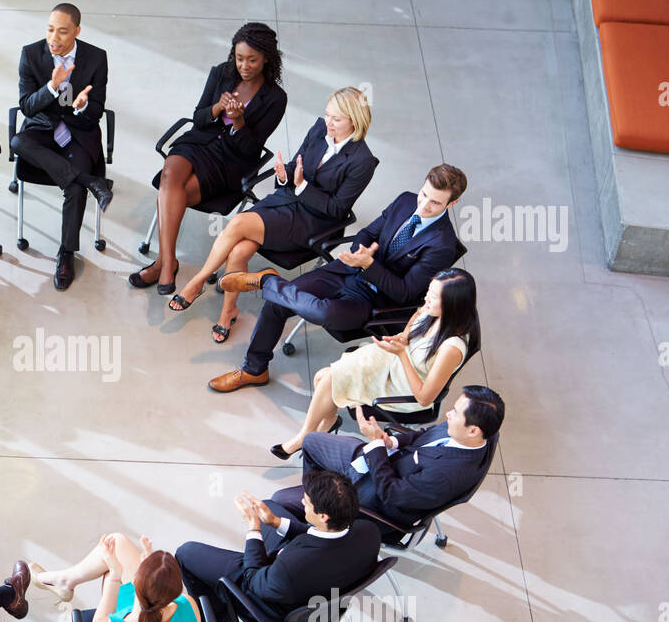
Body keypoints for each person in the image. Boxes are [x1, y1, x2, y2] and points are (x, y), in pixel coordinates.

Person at [208, 164, 467, 393]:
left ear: (451, 204)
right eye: (424, 194)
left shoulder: (441, 244)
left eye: (435, 203)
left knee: (323, 313)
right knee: (278, 302)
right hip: (347, 270)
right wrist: (360, 253)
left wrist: (369, 265)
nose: (423, 205)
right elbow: (368, 232)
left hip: (373, 297)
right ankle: (255, 369)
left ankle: (267, 281)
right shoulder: (405, 201)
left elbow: (404, 292)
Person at [171, 87, 377, 343]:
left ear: (354, 121)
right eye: (327, 115)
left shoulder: (363, 161)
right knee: (238, 251)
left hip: (314, 221)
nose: (328, 123)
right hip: (286, 200)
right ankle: (228, 312)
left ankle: (198, 280)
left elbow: (337, 209)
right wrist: (284, 174)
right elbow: (295, 166)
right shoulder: (319, 129)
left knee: (237, 223)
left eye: (336, 119)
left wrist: (302, 186)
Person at [129, 22, 287, 297]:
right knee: (169, 177)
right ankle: (168, 266)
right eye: (239, 58)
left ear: (267, 58)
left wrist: (238, 121)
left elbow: (251, 150)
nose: (244, 66)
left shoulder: (275, 98)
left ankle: (162, 264)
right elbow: (199, 116)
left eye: (252, 59)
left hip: (228, 161)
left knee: (172, 194)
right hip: (197, 143)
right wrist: (218, 107)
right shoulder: (221, 73)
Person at [270, 268, 480, 460]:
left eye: (433, 297)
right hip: (391, 361)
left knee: (326, 379)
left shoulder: (452, 347)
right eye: (429, 291)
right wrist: (404, 337)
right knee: (321, 378)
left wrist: (403, 355)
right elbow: (418, 313)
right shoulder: (432, 311)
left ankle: (305, 435)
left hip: (404, 385)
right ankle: (327, 422)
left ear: (452, 304)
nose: (426, 299)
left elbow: (425, 398)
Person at [280, 386, 504, 534]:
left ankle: (319, 514)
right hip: (385, 460)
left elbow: (391, 493)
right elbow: (424, 434)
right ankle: (317, 494)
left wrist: (376, 445)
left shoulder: (446, 475)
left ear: (473, 430)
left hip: (375, 499)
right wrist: (392, 442)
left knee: (280, 499)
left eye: (455, 413)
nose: (448, 415)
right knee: (311, 441)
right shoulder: (475, 433)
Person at [176, 471, 381, 622]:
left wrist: (253, 529)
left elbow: (254, 580)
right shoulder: (369, 532)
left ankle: (222, 621)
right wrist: (274, 522)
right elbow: (320, 537)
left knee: (187, 553)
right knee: (268, 505)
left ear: (323, 516)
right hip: (318, 582)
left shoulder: (292, 564)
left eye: (307, 502)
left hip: (272, 604)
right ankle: (271, 522)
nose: (302, 501)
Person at [10, 3, 111, 291]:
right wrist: (52, 88)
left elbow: (98, 110)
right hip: (42, 129)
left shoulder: (96, 58)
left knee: (74, 189)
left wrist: (83, 107)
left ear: (77, 31)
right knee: (18, 141)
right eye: (50, 29)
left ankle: (66, 252)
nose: (54, 37)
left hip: (78, 133)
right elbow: (27, 107)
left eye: (62, 31)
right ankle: (93, 181)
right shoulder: (31, 54)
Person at [30, 534, 202, 622]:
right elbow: (171, 596)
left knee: (117, 542)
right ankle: (65, 581)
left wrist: (115, 574)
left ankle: (64, 582)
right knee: (118, 543)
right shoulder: (191, 608)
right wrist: (153, 575)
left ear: (135, 582)